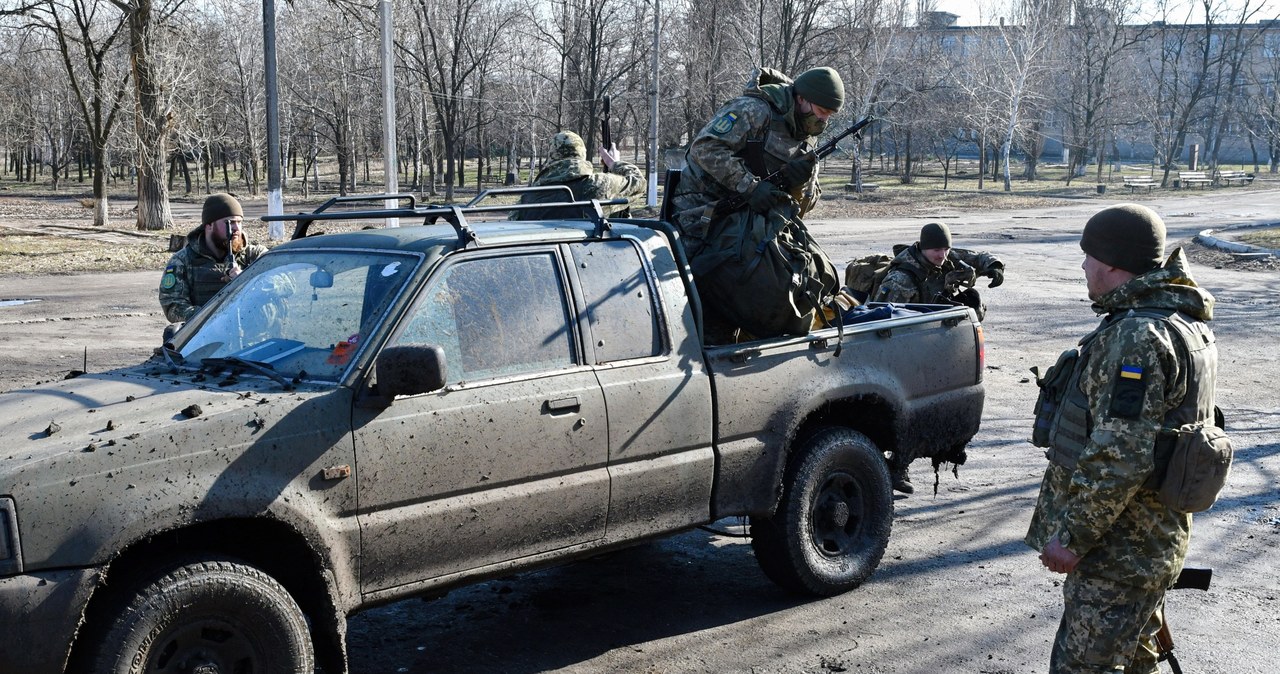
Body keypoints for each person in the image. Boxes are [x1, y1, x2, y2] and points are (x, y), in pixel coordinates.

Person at [1025, 203, 1219, 673]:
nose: (1084, 266)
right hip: (1149, 544)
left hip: (1119, 554)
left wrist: (1071, 537)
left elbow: (1120, 456)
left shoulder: (1136, 336)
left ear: (1112, 262)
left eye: (1088, 256)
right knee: (1135, 663)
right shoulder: (1180, 320)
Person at [667, 66, 844, 341]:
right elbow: (705, 148)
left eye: (829, 116)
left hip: (749, 230)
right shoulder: (754, 110)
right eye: (821, 112)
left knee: (793, 282)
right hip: (702, 219)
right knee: (707, 309)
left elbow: (803, 207)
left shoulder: (806, 135)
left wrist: (800, 184)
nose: (823, 121)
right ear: (801, 99)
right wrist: (750, 187)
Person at [872, 222, 1004, 494]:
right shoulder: (901, 279)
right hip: (903, 351)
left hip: (934, 346)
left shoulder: (945, 257)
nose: (942, 255)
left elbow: (972, 257)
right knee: (906, 414)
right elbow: (881, 319)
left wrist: (994, 265)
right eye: (936, 250)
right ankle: (896, 467)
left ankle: (946, 447)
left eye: (945, 249)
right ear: (922, 247)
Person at [159, 193, 267, 324]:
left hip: (253, 335)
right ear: (209, 226)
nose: (236, 228)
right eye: (230, 223)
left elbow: (285, 285)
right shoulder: (183, 261)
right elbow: (173, 305)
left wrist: (248, 281)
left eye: (239, 222)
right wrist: (212, 318)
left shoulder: (255, 255)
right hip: (208, 338)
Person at [514, 130, 644, 220]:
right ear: (582, 154)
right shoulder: (596, 186)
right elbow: (638, 183)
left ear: (551, 156)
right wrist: (614, 163)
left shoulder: (526, 201)